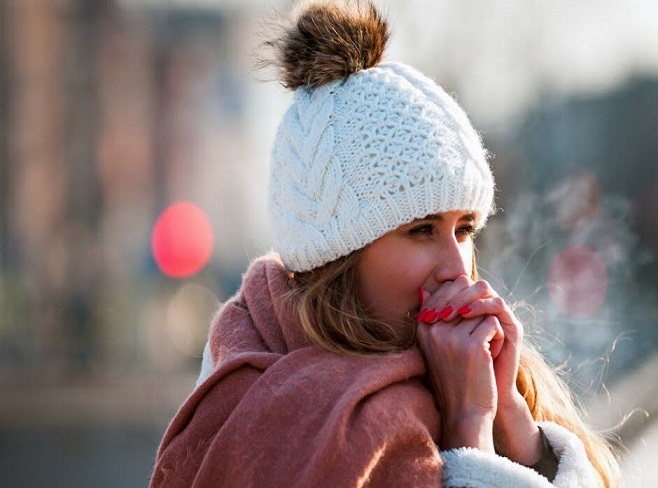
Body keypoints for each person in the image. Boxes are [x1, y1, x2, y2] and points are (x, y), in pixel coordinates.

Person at [150, 1, 621, 486]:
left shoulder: (487, 378)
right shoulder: (274, 412)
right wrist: (468, 434)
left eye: (464, 229)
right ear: (339, 258)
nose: (457, 269)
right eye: (421, 230)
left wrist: (518, 431)